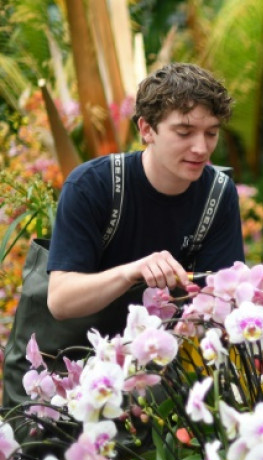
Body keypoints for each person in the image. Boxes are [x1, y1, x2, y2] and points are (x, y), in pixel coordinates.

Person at [3, 62, 245, 411]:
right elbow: (60, 300)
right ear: (147, 129)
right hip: (58, 378)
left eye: (211, 132)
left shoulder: (218, 195)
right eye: (184, 131)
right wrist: (133, 271)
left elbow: (219, 300)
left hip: (150, 379)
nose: (200, 147)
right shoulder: (92, 186)